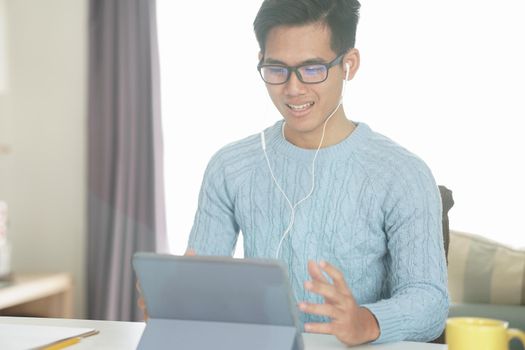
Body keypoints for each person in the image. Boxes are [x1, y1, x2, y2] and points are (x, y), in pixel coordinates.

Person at [161, 0, 448, 346]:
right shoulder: (230, 166)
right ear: (260, 63)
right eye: (277, 69)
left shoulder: (403, 174)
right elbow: (202, 284)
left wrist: (365, 321)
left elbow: (430, 303)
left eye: (312, 69)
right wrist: (175, 301)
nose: (293, 89)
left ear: (349, 64)